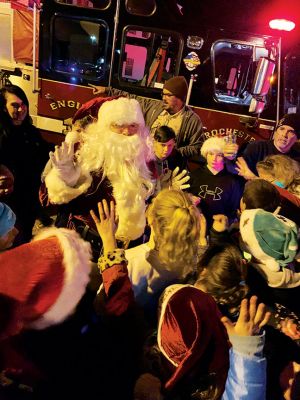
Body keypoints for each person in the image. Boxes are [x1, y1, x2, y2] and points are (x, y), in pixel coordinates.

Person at [91, 199, 270, 400]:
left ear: (152, 221)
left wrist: (109, 245)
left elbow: (113, 309)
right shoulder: (192, 264)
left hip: (128, 353)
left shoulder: (132, 262)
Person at [41, 97, 155, 258]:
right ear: (104, 128)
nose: (127, 131)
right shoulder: (86, 156)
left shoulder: (145, 162)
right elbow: (48, 201)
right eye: (118, 125)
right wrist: (64, 175)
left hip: (124, 251)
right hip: (82, 249)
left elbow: (150, 200)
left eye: (133, 125)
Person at [94, 189, 204, 315]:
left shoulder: (130, 262)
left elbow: (103, 304)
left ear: (151, 219)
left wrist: (109, 240)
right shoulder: (192, 261)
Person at [89, 76, 204, 158]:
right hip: (144, 161)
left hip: (168, 168)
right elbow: (132, 97)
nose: (164, 98)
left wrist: (173, 152)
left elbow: (197, 147)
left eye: (169, 95)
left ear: (180, 98)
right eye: (163, 94)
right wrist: (107, 90)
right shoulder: (154, 106)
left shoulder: (192, 120)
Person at [0, 85, 53, 243]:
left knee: (23, 241)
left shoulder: (31, 132)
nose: (21, 109)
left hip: (28, 203)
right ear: (2, 107)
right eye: (15, 105)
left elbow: (46, 151)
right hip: (8, 205)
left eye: (24, 104)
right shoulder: (1, 134)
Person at [188, 136, 244, 228]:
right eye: (210, 154)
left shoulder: (232, 181)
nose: (214, 158)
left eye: (219, 155)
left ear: (225, 157)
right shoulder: (194, 176)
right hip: (197, 225)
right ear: (205, 154)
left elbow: (233, 209)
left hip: (220, 228)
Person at [235, 113, 300, 179]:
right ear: (276, 132)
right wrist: (229, 157)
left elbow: (281, 186)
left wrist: (254, 178)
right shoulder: (257, 147)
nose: (284, 135)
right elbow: (236, 168)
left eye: (291, 132)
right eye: (282, 129)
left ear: (297, 139)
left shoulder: (296, 160)